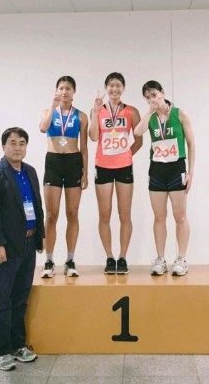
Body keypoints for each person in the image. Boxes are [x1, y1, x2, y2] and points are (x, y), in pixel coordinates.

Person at [0, 127, 44, 371]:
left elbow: (36, 206)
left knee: (20, 299)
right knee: (3, 300)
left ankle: (18, 345)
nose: (17, 147)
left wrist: (39, 238)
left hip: (28, 244)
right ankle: (1, 350)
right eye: (12, 143)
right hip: (6, 247)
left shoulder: (30, 171)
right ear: (3, 146)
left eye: (22, 143)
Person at [134, 81, 196, 277]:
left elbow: (191, 144)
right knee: (159, 217)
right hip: (157, 170)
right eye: (148, 98)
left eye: (154, 95)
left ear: (162, 92)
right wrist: (149, 111)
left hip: (177, 168)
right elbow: (137, 132)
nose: (152, 99)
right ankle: (160, 259)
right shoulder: (151, 118)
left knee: (180, 216)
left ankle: (181, 259)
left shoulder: (180, 114)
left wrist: (191, 172)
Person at [89, 72, 143, 274]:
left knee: (124, 214)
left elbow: (139, 139)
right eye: (111, 85)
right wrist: (95, 112)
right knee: (105, 214)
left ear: (123, 88)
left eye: (118, 85)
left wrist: (126, 155)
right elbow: (93, 137)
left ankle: (122, 257)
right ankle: (109, 257)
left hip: (124, 167)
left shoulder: (131, 111)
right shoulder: (98, 110)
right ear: (106, 88)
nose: (114, 89)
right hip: (102, 166)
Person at [38, 76, 88, 278]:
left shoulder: (81, 116)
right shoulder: (48, 112)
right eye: (61, 88)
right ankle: (49, 260)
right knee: (52, 215)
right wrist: (53, 106)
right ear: (56, 90)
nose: (64, 92)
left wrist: (85, 172)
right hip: (53, 162)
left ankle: (70, 259)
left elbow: (84, 147)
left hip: (73, 162)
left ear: (74, 91)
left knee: (72, 213)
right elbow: (43, 128)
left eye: (68, 88)